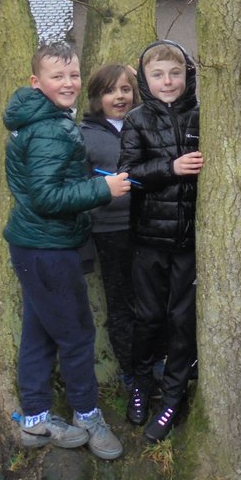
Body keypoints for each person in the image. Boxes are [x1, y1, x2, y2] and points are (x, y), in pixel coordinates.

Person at [3, 42, 131, 460]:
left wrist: (87, 174)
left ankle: (36, 415)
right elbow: (45, 196)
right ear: (36, 82)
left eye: (74, 75)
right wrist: (102, 188)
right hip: (48, 246)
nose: (69, 83)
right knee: (76, 335)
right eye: (58, 77)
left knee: (38, 333)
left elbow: (49, 177)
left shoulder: (44, 119)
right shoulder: (49, 128)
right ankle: (87, 415)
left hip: (34, 244)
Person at [118, 40, 202, 443]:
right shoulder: (136, 119)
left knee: (183, 322)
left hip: (191, 241)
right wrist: (170, 168)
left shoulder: (204, 113)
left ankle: (173, 396)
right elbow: (129, 175)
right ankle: (139, 384)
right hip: (149, 238)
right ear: (145, 80)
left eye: (175, 73)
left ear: (188, 74)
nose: (168, 82)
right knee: (149, 317)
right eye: (158, 74)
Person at [80, 63, 139, 390]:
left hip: (150, 226)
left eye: (125, 89)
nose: (119, 96)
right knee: (121, 304)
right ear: (96, 98)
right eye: (110, 90)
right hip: (110, 231)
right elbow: (81, 187)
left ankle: (157, 366)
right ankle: (131, 375)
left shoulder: (144, 124)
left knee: (154, 301)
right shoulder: (84, 135)